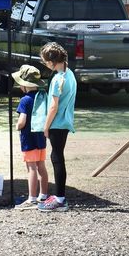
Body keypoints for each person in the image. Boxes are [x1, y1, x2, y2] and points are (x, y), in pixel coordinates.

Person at [36, 41, 76, 212]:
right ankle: (59, 196)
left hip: (57, 123)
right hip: (65, 121)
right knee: (57, 156)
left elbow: (53, 106)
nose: (46, 65)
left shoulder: (58, 79)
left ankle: (60, 199)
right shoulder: (70, 74)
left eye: (46, 62)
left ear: (52, 62)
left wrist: (46, 126)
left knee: (57, 158)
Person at [12, 64, 49, 209]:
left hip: (29, 139)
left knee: (31, 168)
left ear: (24, 85)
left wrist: (17, 126)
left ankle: (32, 198)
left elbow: (22, 121)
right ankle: (43, 195)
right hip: (41, 137)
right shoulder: (42, 97)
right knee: (41, 166)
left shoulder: (25, 100)